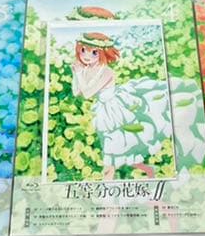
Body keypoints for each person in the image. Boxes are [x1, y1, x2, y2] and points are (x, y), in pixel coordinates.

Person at [71, 30, 172, 181]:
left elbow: (87, 94)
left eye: (94, 52)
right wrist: (75, 73)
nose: (86, 56)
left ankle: (109, 189)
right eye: (83, 50)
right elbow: (76, 92)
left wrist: (79, 73)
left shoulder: (107, 72)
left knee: (112, 152)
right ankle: (147, 170)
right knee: (119, 150)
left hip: (115, 110)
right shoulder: (88, 69)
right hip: (103, 111)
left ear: (103, 53)